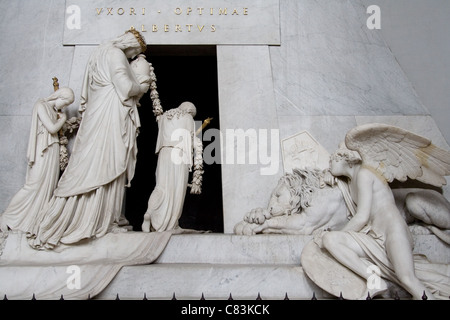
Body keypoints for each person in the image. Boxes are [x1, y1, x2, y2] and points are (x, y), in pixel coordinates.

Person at [28, 29, 149, 249]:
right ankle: (99, 221)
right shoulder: (115, 54)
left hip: (97, 111)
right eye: (134, 52)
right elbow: (125, 87)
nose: (132, 56)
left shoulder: (98, 53)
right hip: (109, 113)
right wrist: (142, 84)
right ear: (129, 45)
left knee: (95, 160)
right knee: (106, 161)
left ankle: (104, 218)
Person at [320, 147, 437, 299]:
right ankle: (374, 280)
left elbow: (362, 217)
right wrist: (327, 174)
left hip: (392, 232)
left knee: (408, 279)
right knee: (330, 240)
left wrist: (340, 232)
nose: (329, 163)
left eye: (332, 160)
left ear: (346, 159)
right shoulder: (350, 182)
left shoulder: (364, 174)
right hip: (374, 236)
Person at [0, 87, 74, 233]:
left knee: (48, 188)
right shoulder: (41, 105)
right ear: (58, 96)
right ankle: (7, 216)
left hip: (53, 151)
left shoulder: (54, 112)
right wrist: (63, 119)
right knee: (33, 185)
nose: (64, 107)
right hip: (43, 150)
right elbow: (52, 129)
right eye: (65, 103)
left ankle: (33, 221)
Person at [142, 102, 200, 232]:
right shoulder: (187, 118)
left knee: (160, 188)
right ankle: (172, 223)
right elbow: (191, 139)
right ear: (189, 110)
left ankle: (149, 213)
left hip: (164, 154)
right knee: (176, 189)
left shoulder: (163, 117)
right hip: (179, 154)